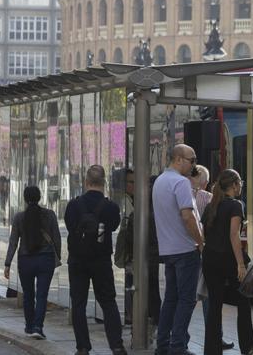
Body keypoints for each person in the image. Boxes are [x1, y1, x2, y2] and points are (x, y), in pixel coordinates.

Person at [64, 165, 127, 355]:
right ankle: (116, 345)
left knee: (79, 304)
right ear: (104, 182)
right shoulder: (111, 207)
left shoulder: (73, 205)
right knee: (108, 302)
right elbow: (114, 226)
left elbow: (69, 226)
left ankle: (83, 347)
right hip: (101, 260)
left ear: (86, 182)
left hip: (77, 260)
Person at [153, 144, 204, 355]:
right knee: (186, 300)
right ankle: (178, 346)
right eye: (192, 160)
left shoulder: (159, 181)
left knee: (171, 299)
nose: (194, 165)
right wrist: (200, 242)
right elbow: (187, 216)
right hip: (185, 249)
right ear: (179, 159)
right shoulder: (181, 182)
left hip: (168, 250)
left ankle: (163, 345)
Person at [203, 169, 253, 355]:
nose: (241, 185)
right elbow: (233, 235)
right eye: (240, 182)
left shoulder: (211, 206)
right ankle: (249, 347)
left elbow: (205, 234)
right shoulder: (236, 205)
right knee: (243, 302)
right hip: (229, 259)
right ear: (234, 185)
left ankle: (212, 350)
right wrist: (240, 264)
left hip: (210, 259)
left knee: (214, 305)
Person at [4, 186, 61, 340]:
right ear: (39, 197)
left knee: (28, 295)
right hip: (45, 259)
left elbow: (13, 242)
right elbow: (56, 238)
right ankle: (38, 327)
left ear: (25, 198)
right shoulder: (49, 215)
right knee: (42, 295)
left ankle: (29, 326)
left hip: (26, 260)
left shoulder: (19, 217)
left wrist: (7, 263)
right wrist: (57, 257)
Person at [189, 165, 234, 351]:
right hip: (207, 252)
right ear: (206, 182)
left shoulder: (186, 196)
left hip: (190, 251)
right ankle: (215, 336)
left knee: (189, 298)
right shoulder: (209, 199)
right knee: (210, 299)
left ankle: (178, 335)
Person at [119, 169, 162, 327]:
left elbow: (130, 238)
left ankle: (145, 321)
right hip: (158, 258)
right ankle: (156, 321)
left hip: (142, 258)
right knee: (155, 292)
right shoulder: (161, 212)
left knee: (144, 291)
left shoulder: (137, 213)